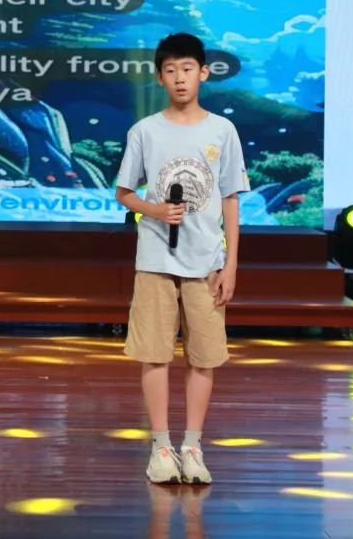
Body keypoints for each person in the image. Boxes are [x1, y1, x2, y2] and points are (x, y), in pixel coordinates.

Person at [115, 32, 250, 485]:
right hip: (156, 259)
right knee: (154, 355)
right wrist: (153, 210)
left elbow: (230, 198)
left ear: (203, 73)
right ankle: (161, 447)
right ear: (159, 77)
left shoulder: (222, 130)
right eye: (170, 70)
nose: (179, 78)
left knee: (204, 357)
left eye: (187, 69)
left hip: (206, 261)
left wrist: (231, 263)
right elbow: (124, 192)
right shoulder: (145, 131)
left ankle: (192, 446)